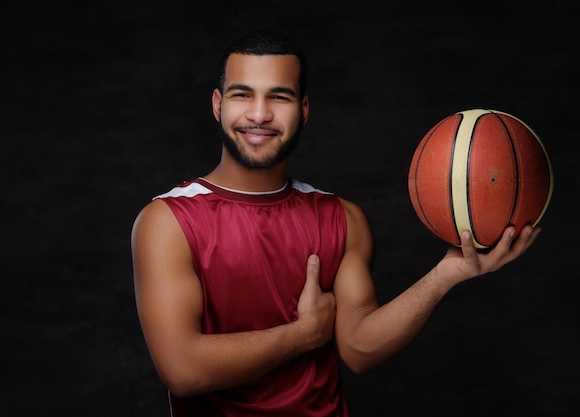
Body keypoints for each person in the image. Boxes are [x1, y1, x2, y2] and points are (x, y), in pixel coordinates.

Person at [130, 29, 540, 416]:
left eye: (280, 96)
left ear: (303, 109)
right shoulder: (166, 222)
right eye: (242, 95)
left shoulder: (342, 217)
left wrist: (447, 274)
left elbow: (360, 349)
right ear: (218, 104)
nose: (259, 113)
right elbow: (183, 371)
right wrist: (304, 334)